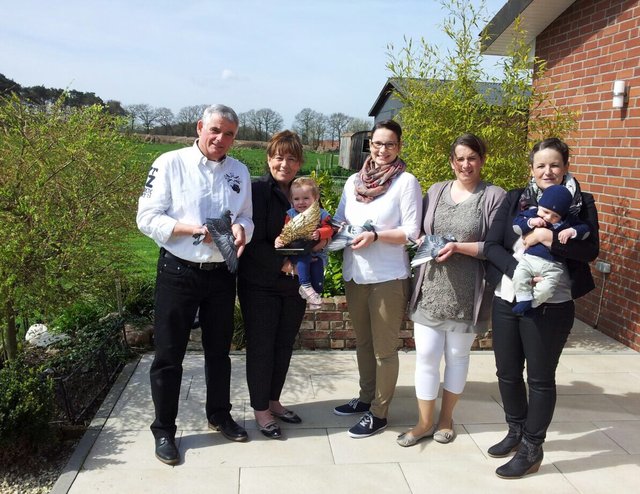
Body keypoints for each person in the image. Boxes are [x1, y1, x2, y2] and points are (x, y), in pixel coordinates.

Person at [136, 104, 254, 465]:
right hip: (179, 272)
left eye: (229, 134)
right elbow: (146, 217)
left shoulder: (240, 171)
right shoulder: (170, 162)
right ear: (201, 126)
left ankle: (219, 413)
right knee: (169, 356)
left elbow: (246, 216)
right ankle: (164, 430)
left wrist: (241, 230)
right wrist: (192, 230)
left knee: (220, 352)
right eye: (215, 130)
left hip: (221, 274)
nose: (221, 139)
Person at [484, 137, 599, 479]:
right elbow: (491, 246)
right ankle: (516, 431)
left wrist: (551, 241)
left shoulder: (582, 204)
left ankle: (533, 447)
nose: (547, 171)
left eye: (555, 165)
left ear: (565, 167)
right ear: (531, 169)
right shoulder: (514, 198)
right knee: (506, 372)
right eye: (540, 165)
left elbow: (589, 250)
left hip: (552, 304)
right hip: (508, 296)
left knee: (539, 378)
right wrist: (517, 271)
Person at [398, 134, 505, 448]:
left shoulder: (493, 196)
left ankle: (446, 420)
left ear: (482, 160)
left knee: (457, 357)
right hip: (430, 289)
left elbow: (496, 246)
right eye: (459, 158)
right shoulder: (436, 190)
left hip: (467, 293)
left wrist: (459, 247)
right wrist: (422, 242)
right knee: (427, 357)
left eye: (472, 157)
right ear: (451, 161)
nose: (465, 164)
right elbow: (418, 230)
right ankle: (423, 422)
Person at [332, 120, 422, 438]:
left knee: (384, 349)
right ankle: (365, 397)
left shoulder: (406, 182)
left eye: (390, 144)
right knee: (364, 343)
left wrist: (375, 235)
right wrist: (331, 231)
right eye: (377, 143)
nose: (382, 150)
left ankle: (380, 412)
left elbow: (411, 232)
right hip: (356, 274)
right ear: (369, 144)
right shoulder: (354, 182)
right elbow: (341, 219)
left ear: (399, 147)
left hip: (388, 277)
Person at [238, 131, 328, 439]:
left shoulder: (303, 192)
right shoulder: (256, 191)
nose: (284, 164)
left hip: (293, 285)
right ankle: (260, 409)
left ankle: (274, 400)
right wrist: (282, 262)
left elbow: (316, 228)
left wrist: (320, 242)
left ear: (299, 162)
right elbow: (254, 239)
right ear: (269, 159)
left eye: (291, 158)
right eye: (278, 157)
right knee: (262, 347)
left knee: (284, 345)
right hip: (260, 283)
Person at [511, 184, 591, 315]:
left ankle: (533, 303)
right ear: (540, 206)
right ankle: (524, 299)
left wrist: (571, 231)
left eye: (555, 216)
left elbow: (585, 230)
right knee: (519, 276)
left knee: (547, 289)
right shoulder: (533, 213)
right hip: (529, 259)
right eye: (546, 212)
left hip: (553, 265)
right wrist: (531, 222)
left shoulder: (567, 221)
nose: (548, 218)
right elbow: (517, 225)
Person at [274, 176, 333, 310]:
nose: (301, 202)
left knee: (317, 272)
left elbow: (330, 229)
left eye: (306, 198)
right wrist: (280, 240)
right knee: (303, 259)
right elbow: (286, 231)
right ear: (291, 200)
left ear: (316, 198)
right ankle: (305, 285)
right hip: (299, 250)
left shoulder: (322, 214)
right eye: (296, 199)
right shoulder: (291, 214)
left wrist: (321, 233)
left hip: (316, 251)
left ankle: (315, 293)